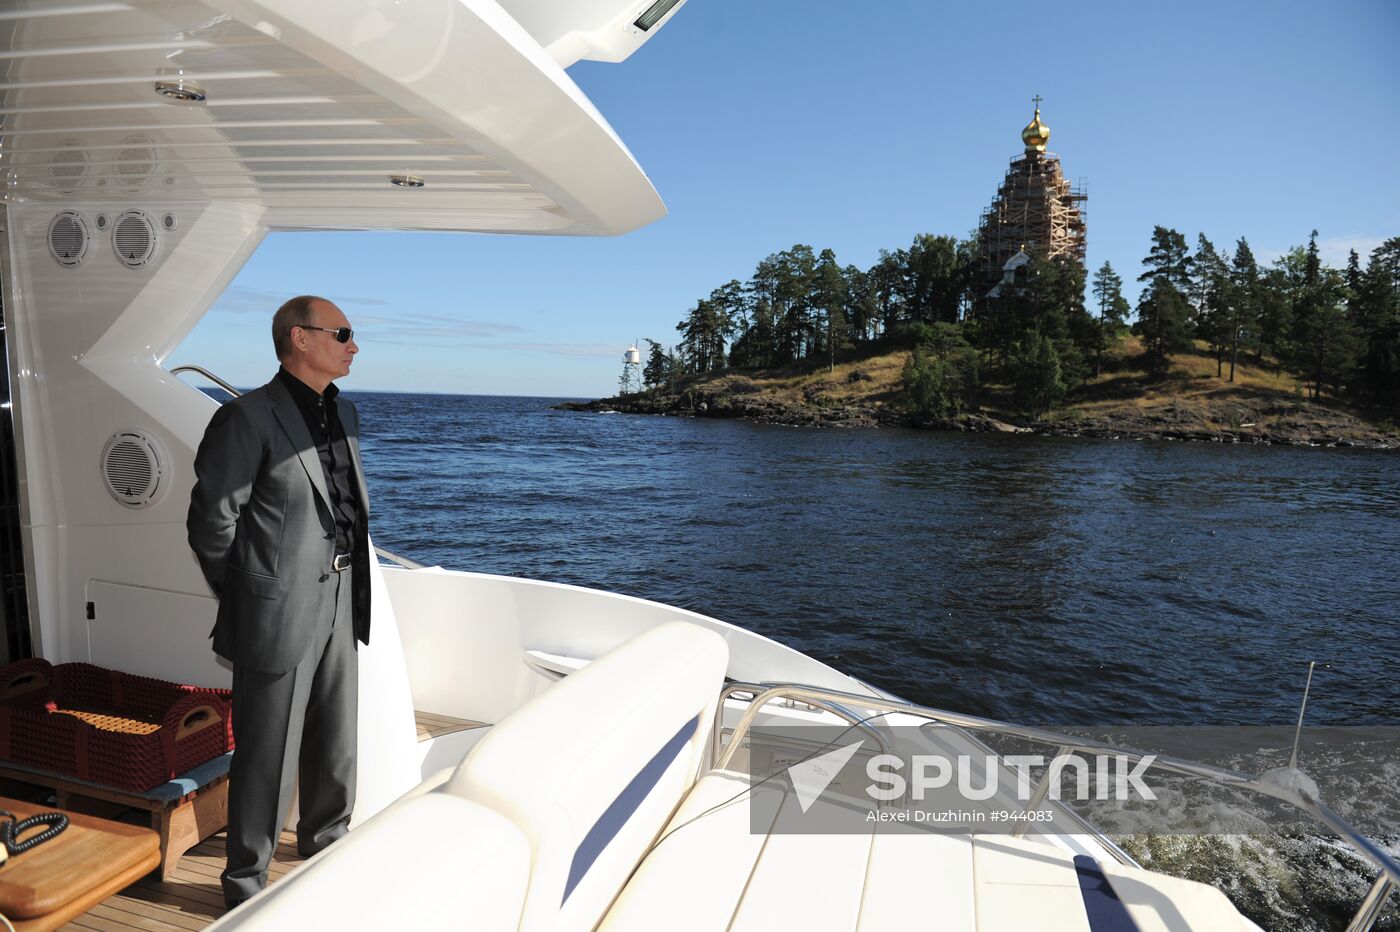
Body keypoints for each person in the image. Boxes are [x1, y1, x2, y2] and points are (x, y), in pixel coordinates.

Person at [187, 295, 371, 908]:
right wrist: (253, 593)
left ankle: (327, 848)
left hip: (343, 595)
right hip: (277, 605)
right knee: (267, 754)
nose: (352, 345)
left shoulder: (342, 416)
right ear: (298, 338)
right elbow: (212, 523)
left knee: (333, 741)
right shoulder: (247, 417)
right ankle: (246, 887)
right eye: (341, 333)